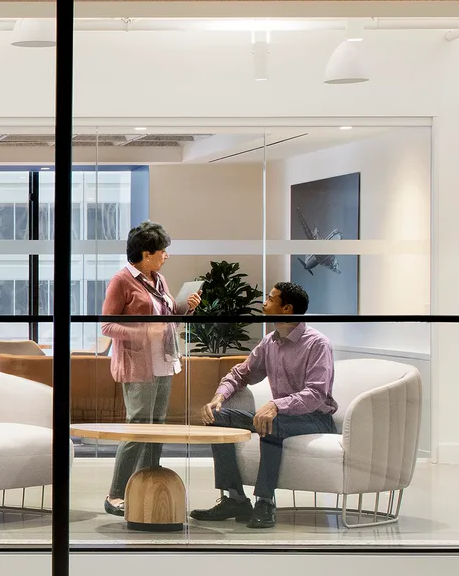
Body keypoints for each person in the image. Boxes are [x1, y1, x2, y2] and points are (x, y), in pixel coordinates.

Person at [191, 280, 337, 530]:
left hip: (315, 418)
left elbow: (316, 393)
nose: (264, 304)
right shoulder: (270, 341)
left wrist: (277, 405)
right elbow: (241, 373)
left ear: (287, 309)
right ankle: (235, 498)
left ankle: (265, 501)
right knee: (217, 418)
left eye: (270, 299)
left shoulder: (317, 344)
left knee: (271, 421)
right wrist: (219, 398)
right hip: (279, 415)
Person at [99, 222, 200, 517]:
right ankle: (116, 493)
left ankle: (146, 486)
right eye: (162, 250)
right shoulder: (122, 281)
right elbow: (107, 324)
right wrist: (144, 333)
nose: (166, 255)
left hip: (164, 362)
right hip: (137, 364)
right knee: (137, 427)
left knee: (156, 428)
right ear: (146, 253)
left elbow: (168, 318)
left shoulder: (159, 279)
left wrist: (187, 308)